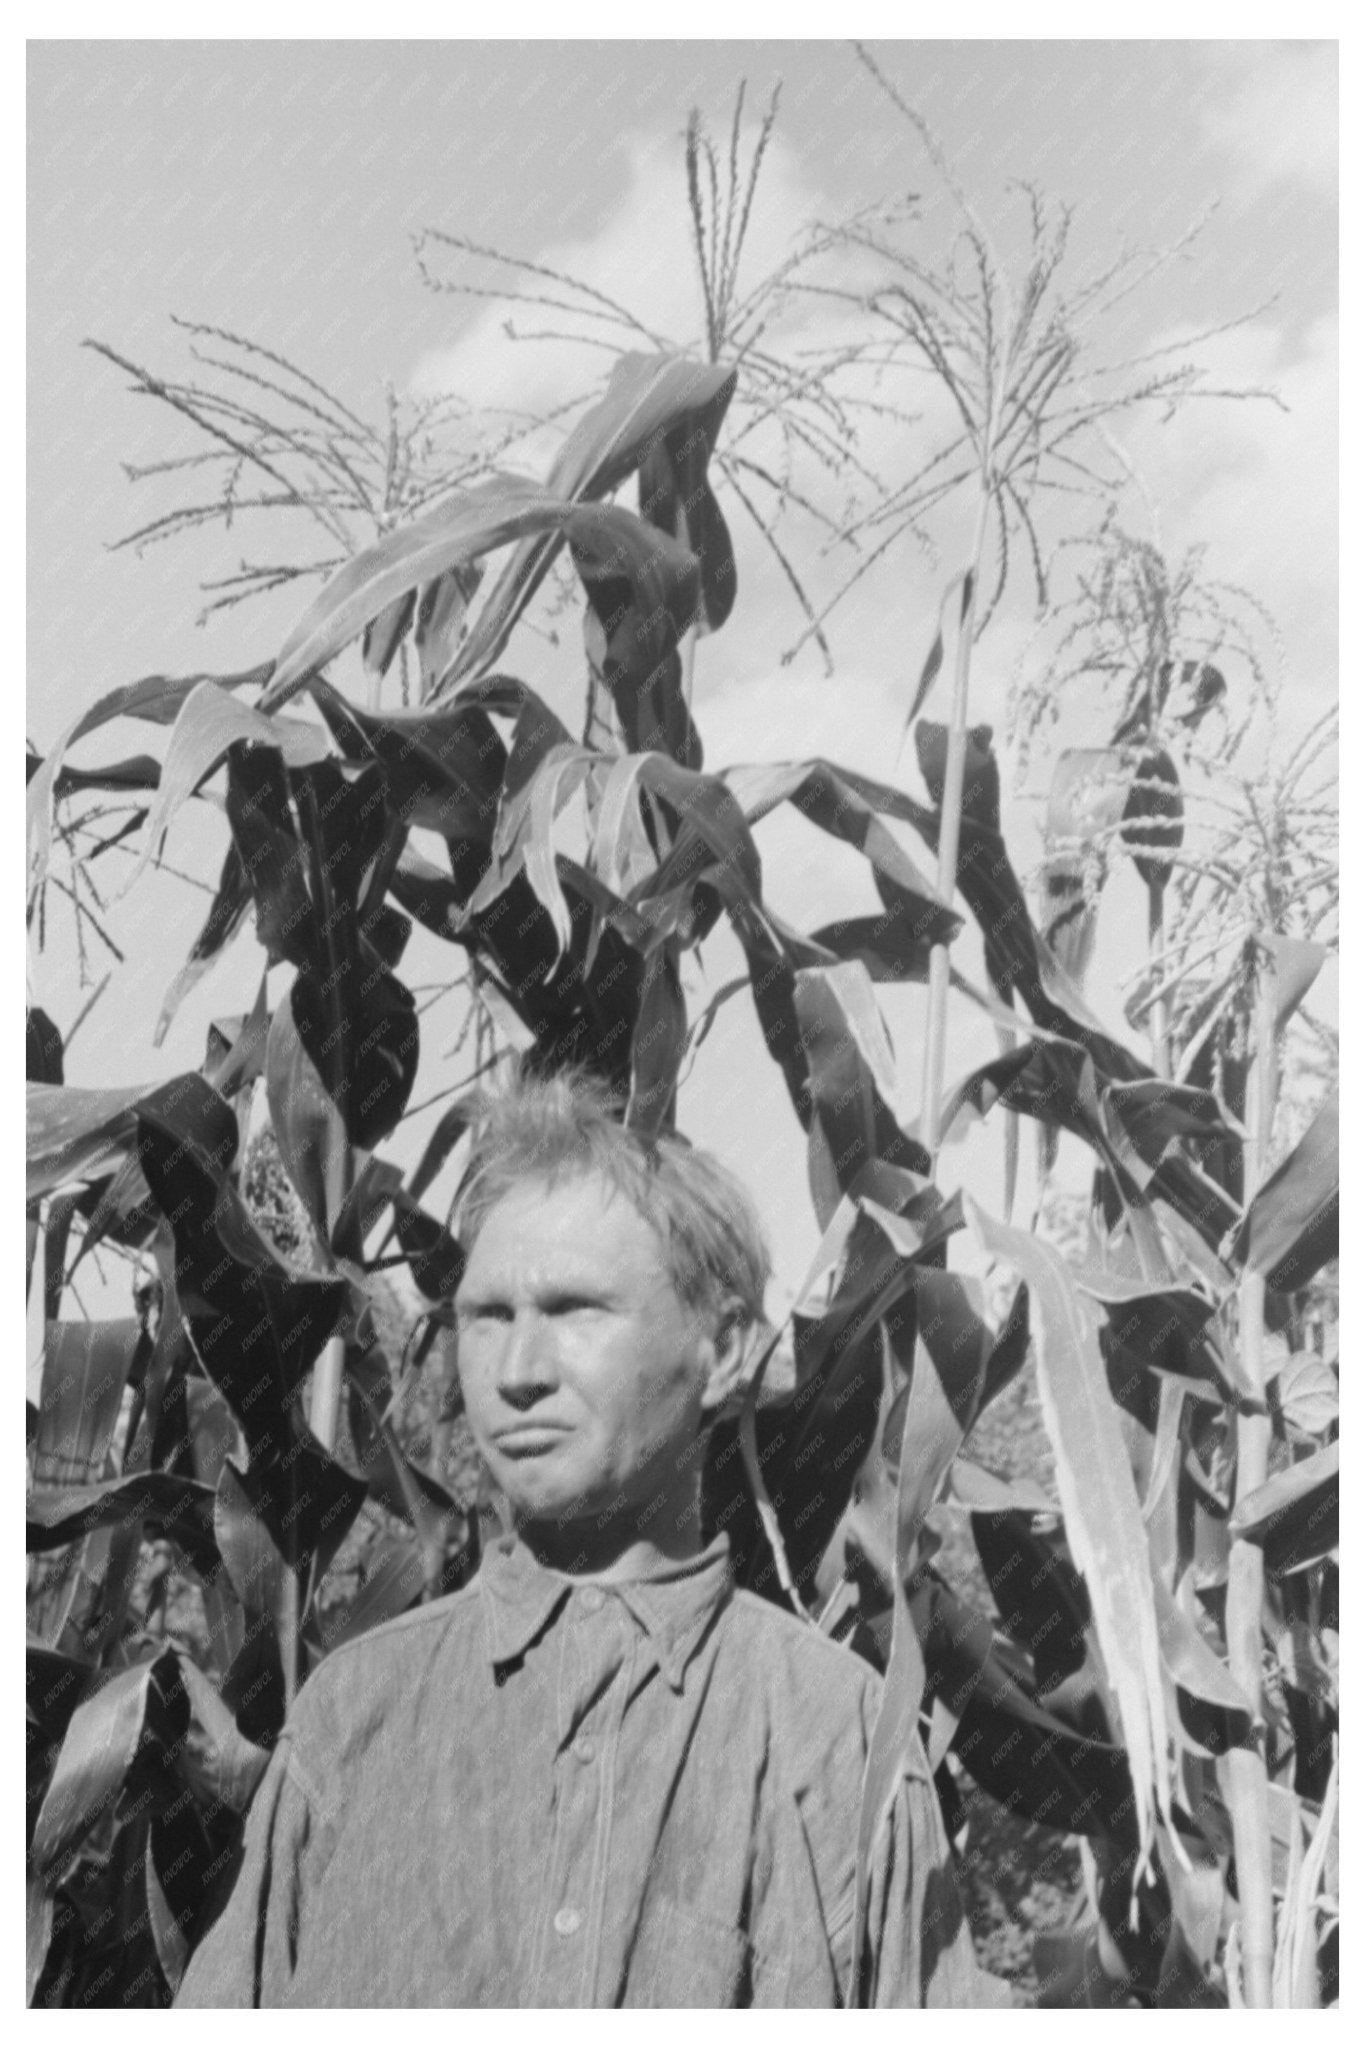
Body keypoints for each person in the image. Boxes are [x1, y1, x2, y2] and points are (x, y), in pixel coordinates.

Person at [176, 1067, 990, 2008]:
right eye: (487, 1318)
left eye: (574, 1312)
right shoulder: (350, 1722)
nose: (517, 1371)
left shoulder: (840, 1744)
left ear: (725, 1348)